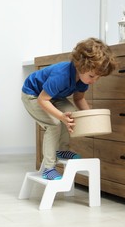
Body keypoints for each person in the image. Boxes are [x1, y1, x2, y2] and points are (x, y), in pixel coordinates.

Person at [21, 37, 117, 180]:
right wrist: (60, 117)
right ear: (81, 66)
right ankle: (48, 168)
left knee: (71, 115)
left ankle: (62, 150)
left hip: (54, 96)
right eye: (92, 76)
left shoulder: (83, 80)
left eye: (98, 78)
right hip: (33, 95)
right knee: (53, 124)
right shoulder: (62, 75)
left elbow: (79, 99)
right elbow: (43, 100)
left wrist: (91, 116)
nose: (94, 81)